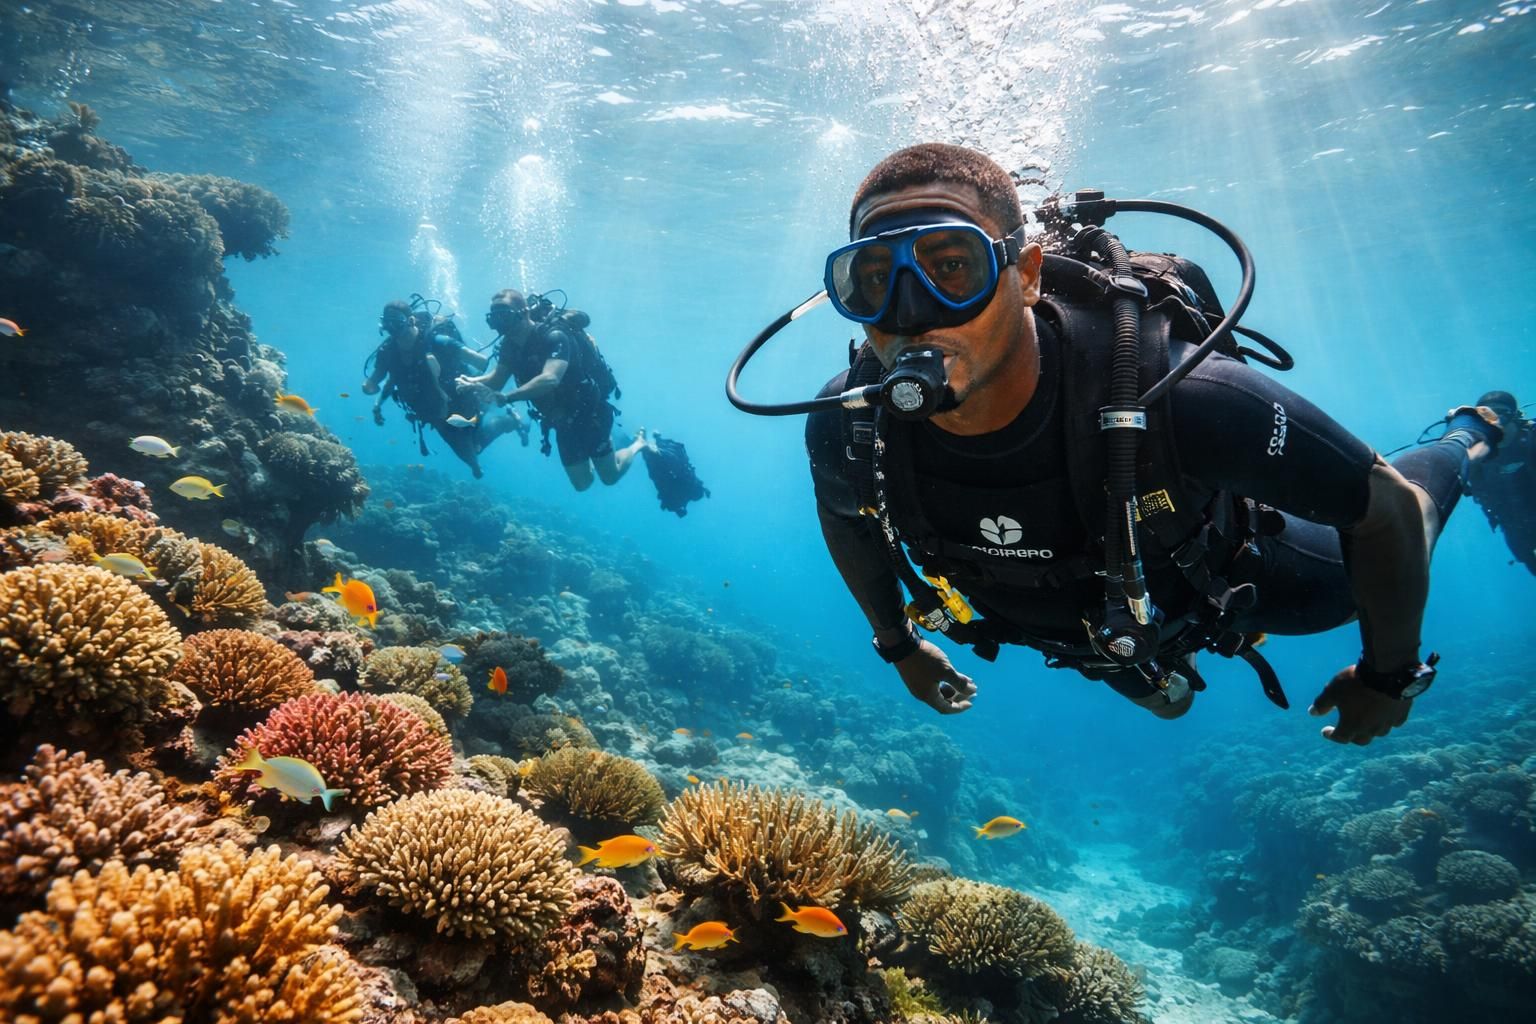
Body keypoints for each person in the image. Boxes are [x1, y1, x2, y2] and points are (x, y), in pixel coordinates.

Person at [804, 143, 1505, 745]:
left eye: (952, 266)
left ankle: (1469, 435)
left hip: (1240, 576)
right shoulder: (848, 424)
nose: (910, 313)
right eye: (873, 281)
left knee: (1395, 522)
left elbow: (1384, 511)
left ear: (1027, 275)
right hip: (1100, 627)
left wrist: (1390, 676)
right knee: (1170, 707)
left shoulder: (1183, 397)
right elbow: (844, 517)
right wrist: (898, 645)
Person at [458, 288, 649, 492]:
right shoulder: (509, 346)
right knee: (582, 484)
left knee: (609, 477)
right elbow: (497, 379)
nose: (500, 324)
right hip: (561, 420)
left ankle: (638, 444)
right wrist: (472, 381)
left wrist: (507, 397)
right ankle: (599, 455)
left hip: (590, 413)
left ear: (524, 312)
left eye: (504, 315)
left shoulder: (554, 336)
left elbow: (550, 378)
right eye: (494, 318)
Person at [362, 298, 526, 478]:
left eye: (397, 323)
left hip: (461, 396)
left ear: (411, 321)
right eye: (388, 324)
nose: (393, 330)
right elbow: (386, 378)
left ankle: (505, 422)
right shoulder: (388, 351)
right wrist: (375, 402)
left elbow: (480, 361)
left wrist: (478, 381)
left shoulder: (437, 341)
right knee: (470, 446)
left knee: (473, 440)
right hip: (432, 410)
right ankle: (501, 429)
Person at [1464, 390, 1536, 575]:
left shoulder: (1532, 439)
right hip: (1516, 530)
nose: (1496, 422)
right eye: (1486, 415)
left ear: (1514, 416)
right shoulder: (1474, 454)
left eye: (1502, 413)